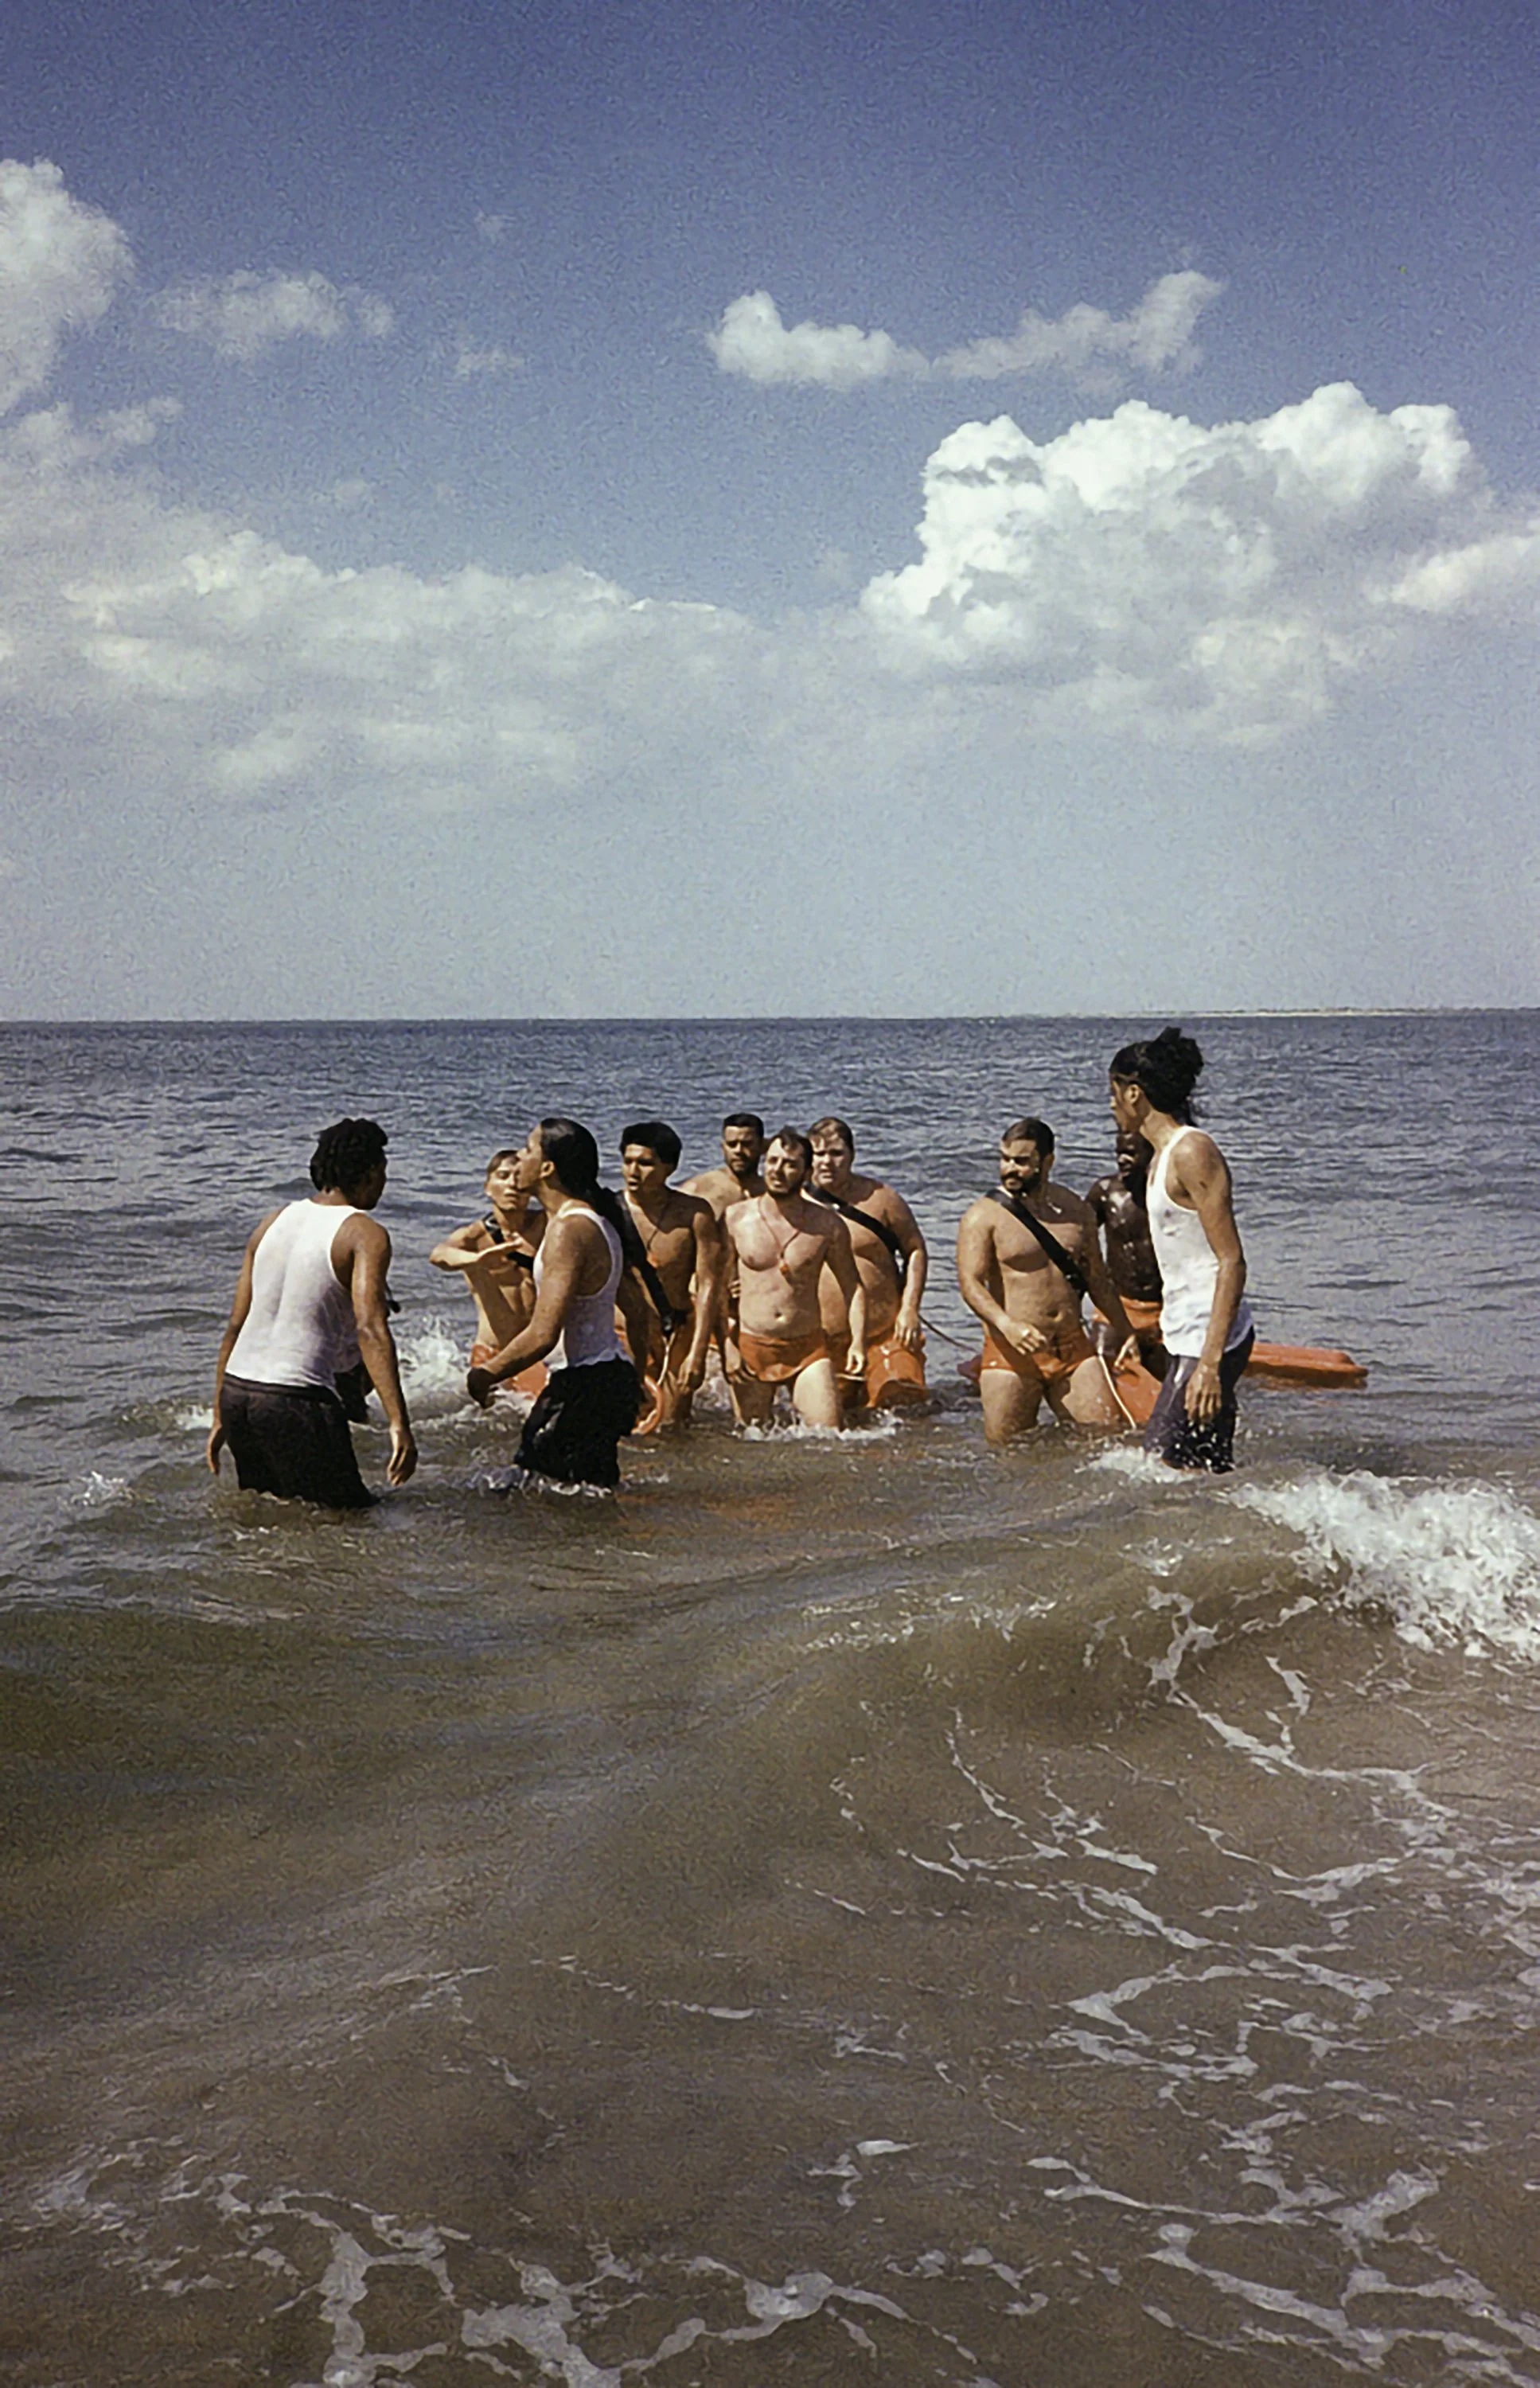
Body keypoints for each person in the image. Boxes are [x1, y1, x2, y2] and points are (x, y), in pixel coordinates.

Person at [209, 1117, 416, 1507]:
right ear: (371, 1173)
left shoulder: (272, 1221)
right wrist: (398, 1422)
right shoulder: (364, 1233)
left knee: (271, 1519)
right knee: (351, 1523)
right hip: (297, 1398)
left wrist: (219, 1412)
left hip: (239, 1392)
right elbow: (370, 1329)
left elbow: (236, 1325)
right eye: (384, 1171)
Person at [466, 1118, 653, 1489]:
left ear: (548, 1167)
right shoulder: (595, 1221)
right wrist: (634, 1377)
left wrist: (485, 1374)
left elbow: (543, 1334)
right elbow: (639, 1311)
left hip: (585, 1385)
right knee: (583, 1497)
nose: (519, 1158)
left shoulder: (569, 1229)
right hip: (605, 1378)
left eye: (528, 1149)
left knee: (533, 1495)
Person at [1108, 1028, 1254, 1472]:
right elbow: (1183, 1258)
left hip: (1210, 1339)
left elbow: (1231, 1260)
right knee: (1207, 1467)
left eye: (1113, 1093)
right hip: (1186, 1331)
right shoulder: (1161, 1157)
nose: (1111, 1105)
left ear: (1135, 1093)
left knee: (1158, 1466)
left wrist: (1209, 1364)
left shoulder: (1193, 1151)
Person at [956, 1118, 1140, 1445]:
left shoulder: (1076, 1211)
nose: (1010, 1169)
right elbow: (970, 1284)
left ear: (1048, 1162)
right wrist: (1007, 1324)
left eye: (1022, 1162)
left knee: (1110, 1443)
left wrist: (1126, 1332)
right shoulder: (983, 1216)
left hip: (1073, 1348)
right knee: (1008, 1455)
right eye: (1005, 1159)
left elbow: (1097, 1279)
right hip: (1012, 1353)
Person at [723, 1128, 866, 1430]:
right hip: (752, 1347)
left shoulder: (827, 1224)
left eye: (789, 1164)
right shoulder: (736, 1218)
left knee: (829, 1438)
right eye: (772, 1161)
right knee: (750, 1444)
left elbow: (853, 1288)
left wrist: (858, 1343)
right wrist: (727, 1346)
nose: (778, 1170)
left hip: (808, 1349)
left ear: (806, 1171)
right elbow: (709, 1289)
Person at [806, 1115, 929, 1409]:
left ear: (852, 1155)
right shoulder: (793, 1203)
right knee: (832, 1428)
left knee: (904, 1408)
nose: (827, 1162)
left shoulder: (882, 1200)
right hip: (820, 1341)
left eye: (836, 1153)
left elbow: (915, 1250)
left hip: (884, 1333)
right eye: (819, 1154)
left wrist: (910, 1309)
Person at [619, 1120, 724, 1428]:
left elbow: (708, 1286)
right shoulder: (608, 1211)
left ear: (670, 1167)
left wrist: (699, 1352)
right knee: (620, 1426)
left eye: (645, 1164)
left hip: (673, 1333)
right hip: (621, 1335)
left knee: (672, 1427)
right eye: (627, 1162)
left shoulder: (694, 1214)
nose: (633, 1172)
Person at [428, 1149, 548, 1400]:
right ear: (487, 1187)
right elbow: (439, 1255)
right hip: (492, 1351)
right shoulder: (474, 1237)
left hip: (535, 1351)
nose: (512, 1184)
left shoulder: (549, 1227)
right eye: (503, 1176)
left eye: (519, 1177)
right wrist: (477, 1259)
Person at [1086, 1130, 1168, 1377]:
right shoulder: (1105, 1192)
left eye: (1131, 1153)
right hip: (1118, 1308)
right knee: (1102, 1373)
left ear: (1152, 1153)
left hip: (1165, 1310)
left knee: (1166, 1389)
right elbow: (1078, 1243)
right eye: (1119, 1153)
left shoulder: (1170, 1195)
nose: (1122, 1159)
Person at [680, 1113, 766, 1219]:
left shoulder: (772, 1191)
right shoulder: (697, 1190)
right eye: (732, 1144)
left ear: (762, 1146)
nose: (738, 1150)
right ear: (723, 1147)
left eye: (747, 1144)